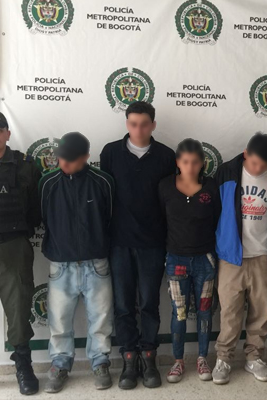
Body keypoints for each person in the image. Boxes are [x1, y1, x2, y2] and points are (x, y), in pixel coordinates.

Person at [99, 101, 176, 389]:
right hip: (119, 243)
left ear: (153, 125)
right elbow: (105, 198)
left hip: (153, 244)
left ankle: (149, 358)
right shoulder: (110, 153)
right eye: (133, 124)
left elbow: (169, 202)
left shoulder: (166, 156)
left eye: (144, 124)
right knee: (122, 305)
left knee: (149, 304)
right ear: (126, 124)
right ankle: (129, 360)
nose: (139, 129)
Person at [39, 132, 115, 393]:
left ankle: (100, 362)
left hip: (97, 263)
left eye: (71, 159)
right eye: (61, 158)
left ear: (86, 157)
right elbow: (44, 218)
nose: (64, 163)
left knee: (101, 319)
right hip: (61, 265)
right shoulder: (48, 183)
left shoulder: (103, 182)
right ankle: (60, 364)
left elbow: (110, 218)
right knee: (59, 320)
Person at [0, 110, 42, 394]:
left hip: (12, 248)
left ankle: (23, 366)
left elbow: (35, 209)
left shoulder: (25, 166)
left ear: (7, 134)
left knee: (18, 310)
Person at [212, 132, 267, 385]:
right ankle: (223, 358)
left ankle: (254, 357)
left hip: (264, 255)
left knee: (260, 312)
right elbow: (214, 211)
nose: (258, 169)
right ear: (245, 154)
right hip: (232, 256)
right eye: (254, 163)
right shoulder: (227, 172)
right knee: (230, 312)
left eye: (263, 165)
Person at [158, 139, 221, 383]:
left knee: (205, 312)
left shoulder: (211, 187)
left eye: (195, 162)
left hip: (205, 259)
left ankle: (203, 358)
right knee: (179, 313)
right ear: (178, 162)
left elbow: (217, 220)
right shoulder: (165, 186)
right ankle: (178, 361)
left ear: (203, 163)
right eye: (185, 162)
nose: (190, 167)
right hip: (176, 259)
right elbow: (160, 221)